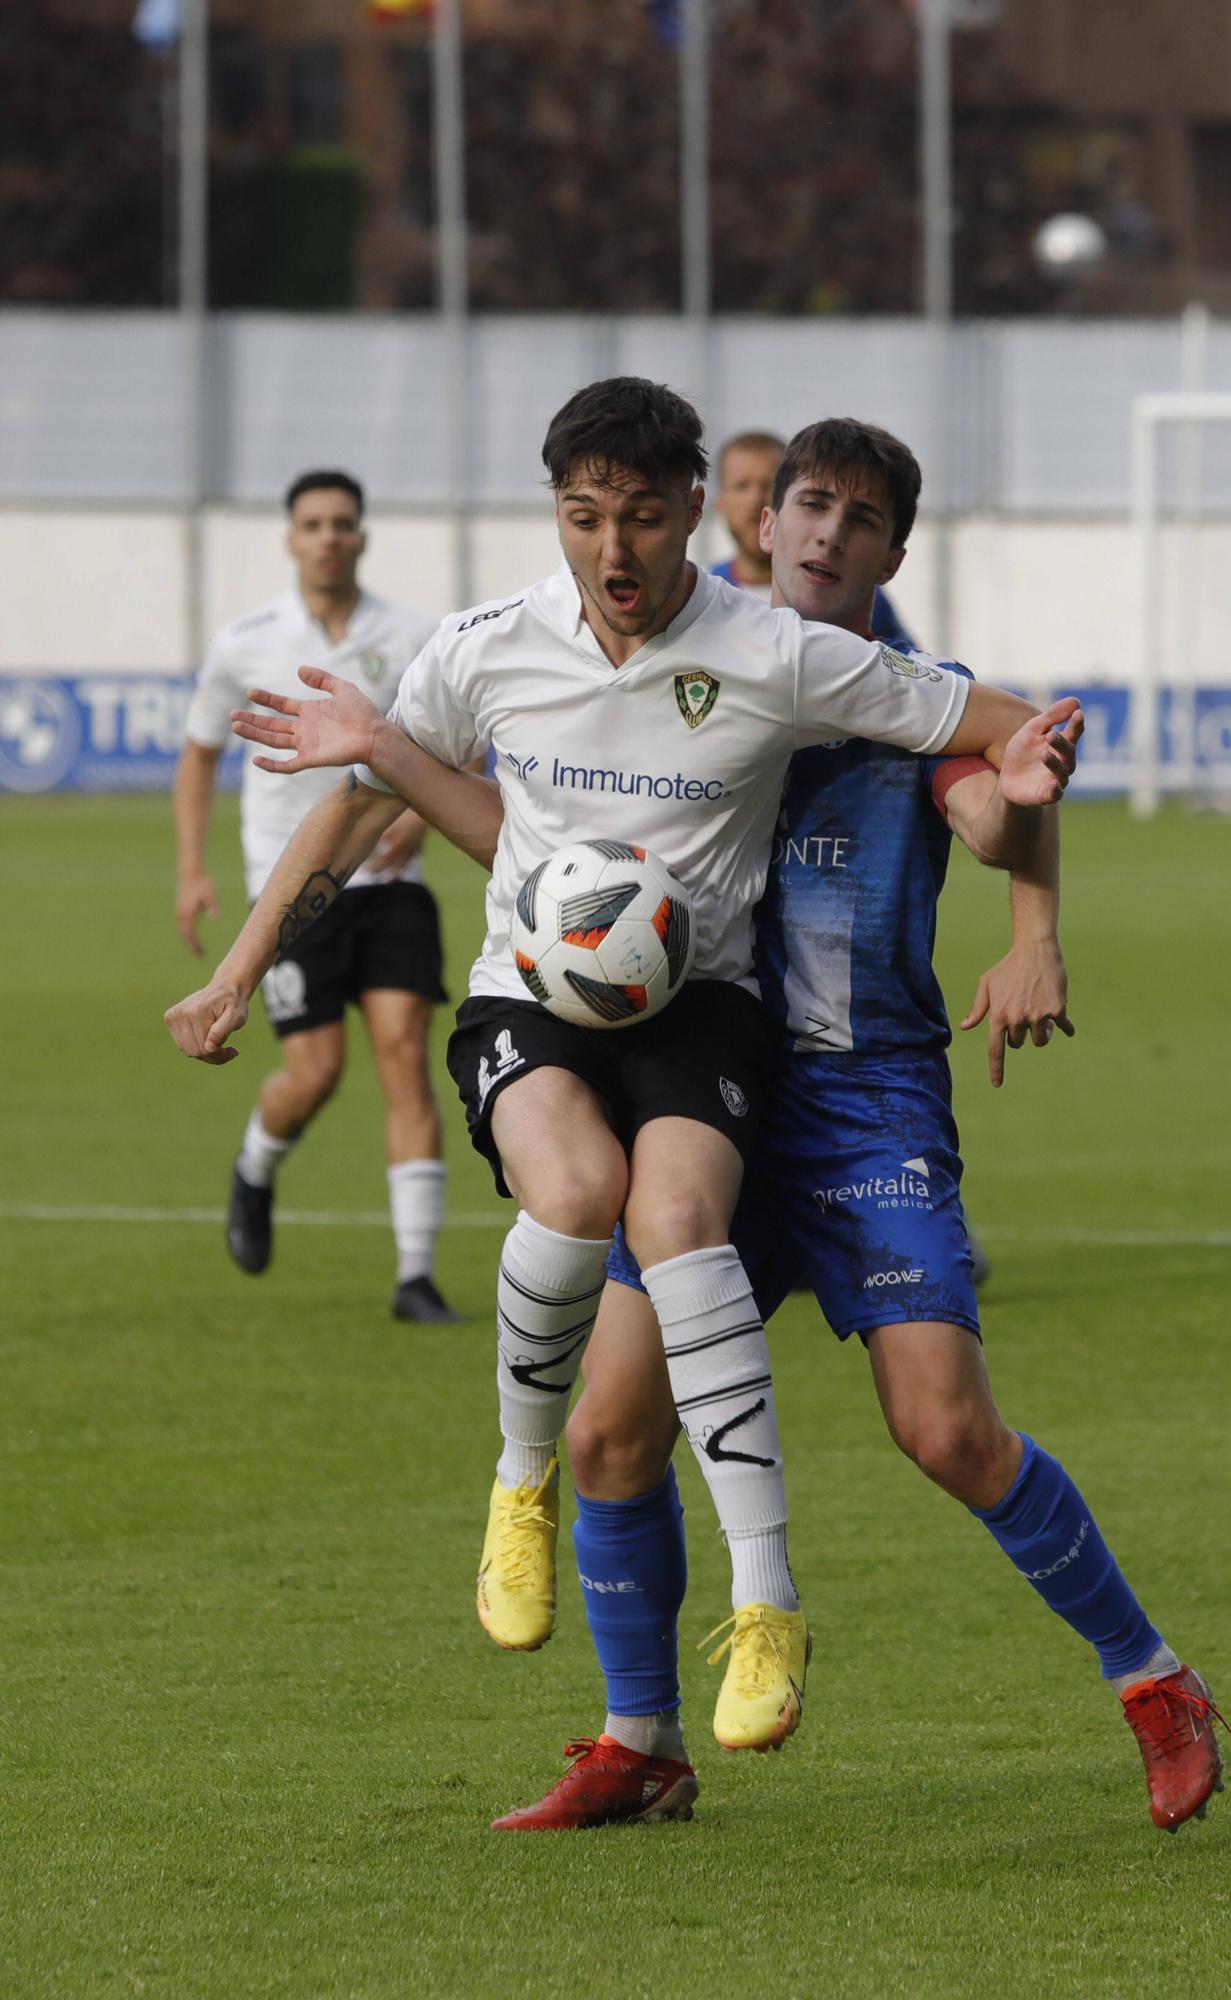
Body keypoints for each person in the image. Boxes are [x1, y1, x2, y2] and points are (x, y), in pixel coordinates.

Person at [163, 377, 1073, 1762]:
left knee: (677, 1219)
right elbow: (358, 815)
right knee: (580, 1193)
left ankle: (766, 1604)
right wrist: (237, 969)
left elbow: (1000, 729)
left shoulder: (773, 649)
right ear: (559, 515)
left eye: (643, 519)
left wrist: (1035, 854)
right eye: (587, 518)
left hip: (702, 1006)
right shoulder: (487, 649)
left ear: (700, 514)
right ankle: (520, 1483)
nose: (614, 551)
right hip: (529, 1002)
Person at [488, 418, 1224, 1836]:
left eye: (863, 518)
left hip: (868, 1100)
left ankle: (1156, 1679)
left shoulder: (907, 697)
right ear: (762, 521)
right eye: (808, 504)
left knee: (945, 1429)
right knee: (608, 1436)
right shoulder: (699, 674)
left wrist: (1032, 905)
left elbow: (998, 794)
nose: (827, 533)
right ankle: (641, 1743)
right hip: (712, 1099)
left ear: (894, 549)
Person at [172, 470, 458, 1324]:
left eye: (343, 523)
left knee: (406, 1055)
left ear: (363, 537)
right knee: (317, 1072)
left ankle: (416, 1275)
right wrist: (192, 869)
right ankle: (257, 1167)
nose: (330, 536)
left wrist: (422, 817)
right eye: (313, 524)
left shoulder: (412, 634)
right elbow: (197, 755)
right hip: (291, 892)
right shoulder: (245, 641)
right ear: (291, 539)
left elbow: (459, 748)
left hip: (393, 888)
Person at [710, 426, 915, 646]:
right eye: (742, 486)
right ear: (768, 526)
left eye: (767, 484)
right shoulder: (706, 597)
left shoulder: (864, 597)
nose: (755, 499)